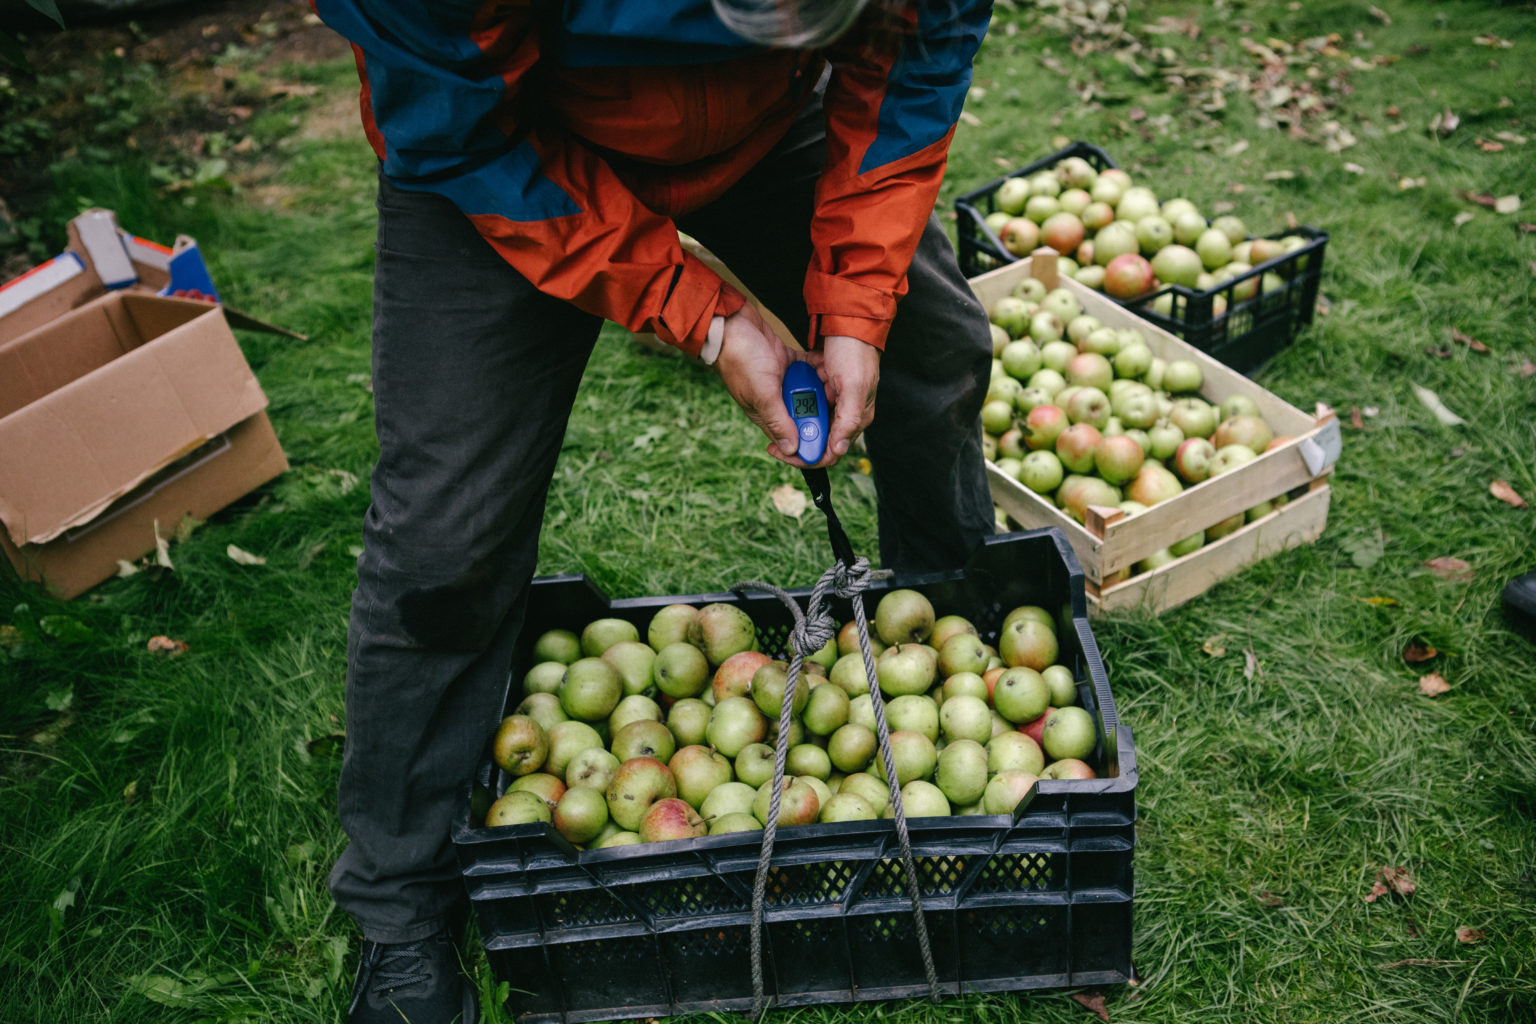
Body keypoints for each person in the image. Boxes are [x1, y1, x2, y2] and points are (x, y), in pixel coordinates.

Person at [312, 0, 995, 1020]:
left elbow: (913, 50)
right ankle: (398, 898)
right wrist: (709, 319)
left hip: (764, 127)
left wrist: (854, 305)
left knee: (929, 352)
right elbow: (454, 119)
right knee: (445, 534)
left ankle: (947, 652)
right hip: (513, 145)